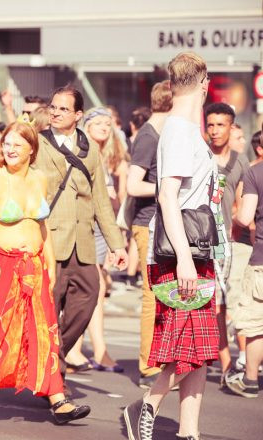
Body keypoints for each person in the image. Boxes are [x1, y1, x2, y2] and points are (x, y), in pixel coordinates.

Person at [124, 52, 225, 440]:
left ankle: (189, 432)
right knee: (187, 345)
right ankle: (146, 405)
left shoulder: (181, 129)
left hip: (194, 251)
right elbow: (167, 197)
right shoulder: (181, 132)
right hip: (182, 253)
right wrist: (184, 258)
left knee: (199, 347)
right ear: (204, 84)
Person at [0, 121, 90, 426]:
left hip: (34, 266)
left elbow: (41, 226)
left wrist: (49, 265)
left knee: (42, 331)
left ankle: (57, 398)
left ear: (31, 150)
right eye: (6, 143)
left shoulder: (39, 179)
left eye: (17, 145)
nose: (9, 149)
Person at [33, 85, 128, 384]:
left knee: (88, 298)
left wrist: (117, 244)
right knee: (50, 306)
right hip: (50, 239)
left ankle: (53, 354)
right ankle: (51, 376)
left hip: (83, 241)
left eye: (64, 109)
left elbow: (100, 197)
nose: (56, 112)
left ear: (78, 114)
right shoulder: (38, 143)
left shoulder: (90, 146)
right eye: (54, 107)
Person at [65, 106, 128, 373]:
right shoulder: (80, 151)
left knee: (94, 288)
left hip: (106, 226)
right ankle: (79, 349)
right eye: (98, 122)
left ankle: (87, 350)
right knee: (92, 287)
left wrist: (119, 236)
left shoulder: (115, 157)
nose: (104, 126)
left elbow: (121, 198)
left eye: (108, 123)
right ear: (86, 126)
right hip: (83, 224)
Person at [126, 80, 173, 389]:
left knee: (161, 295)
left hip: (158, 223)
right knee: (152, 295)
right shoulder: (148, 137)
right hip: (148, 223)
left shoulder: (159, 134)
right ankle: (148, 365)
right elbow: (133, 185)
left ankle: (157, 360)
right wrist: (168, 189)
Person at [205, 102, 250, 382]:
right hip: (199, 239)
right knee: (213, 304)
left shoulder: (240, 161)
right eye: (210, 124)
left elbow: (243, 203)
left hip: (228, 242)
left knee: (230, 302)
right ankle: (224, 364)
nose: (214, 130)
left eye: (221, 125)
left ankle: (238, 363)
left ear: (231, 127)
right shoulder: (199, 155)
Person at [227, 151, 263, 398]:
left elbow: (246, 216)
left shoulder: (255, 172)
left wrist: (236, 218)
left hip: (261, 259)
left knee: (255, 323)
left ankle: (250, 380)